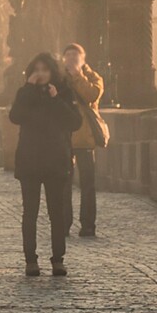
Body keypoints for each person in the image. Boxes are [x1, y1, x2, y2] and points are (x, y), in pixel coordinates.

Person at [8, 53, 83, 277]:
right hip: (30, 160)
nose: (40, 74)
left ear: (52, 72)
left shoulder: (62, 92)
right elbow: (15, 116)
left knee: (56, 213)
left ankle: (58, 259)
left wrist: (56, 99)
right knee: (30, 212)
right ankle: (30, 260)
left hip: (55, 160)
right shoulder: (25, 93)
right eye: (36, 70)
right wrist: (29, 90)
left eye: (45, 70)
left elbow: (75, 122)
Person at [61, 44, 107, 237]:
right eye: (68, 55)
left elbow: (91, 95)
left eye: (75, 55)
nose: (71, 58)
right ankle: (63, 224)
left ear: (83, 58)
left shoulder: (94, 78)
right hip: (63, 137)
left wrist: (78, 75)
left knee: (87, 185)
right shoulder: (59, 78)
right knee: (63, 184)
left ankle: (88, 225)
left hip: (85, 137)